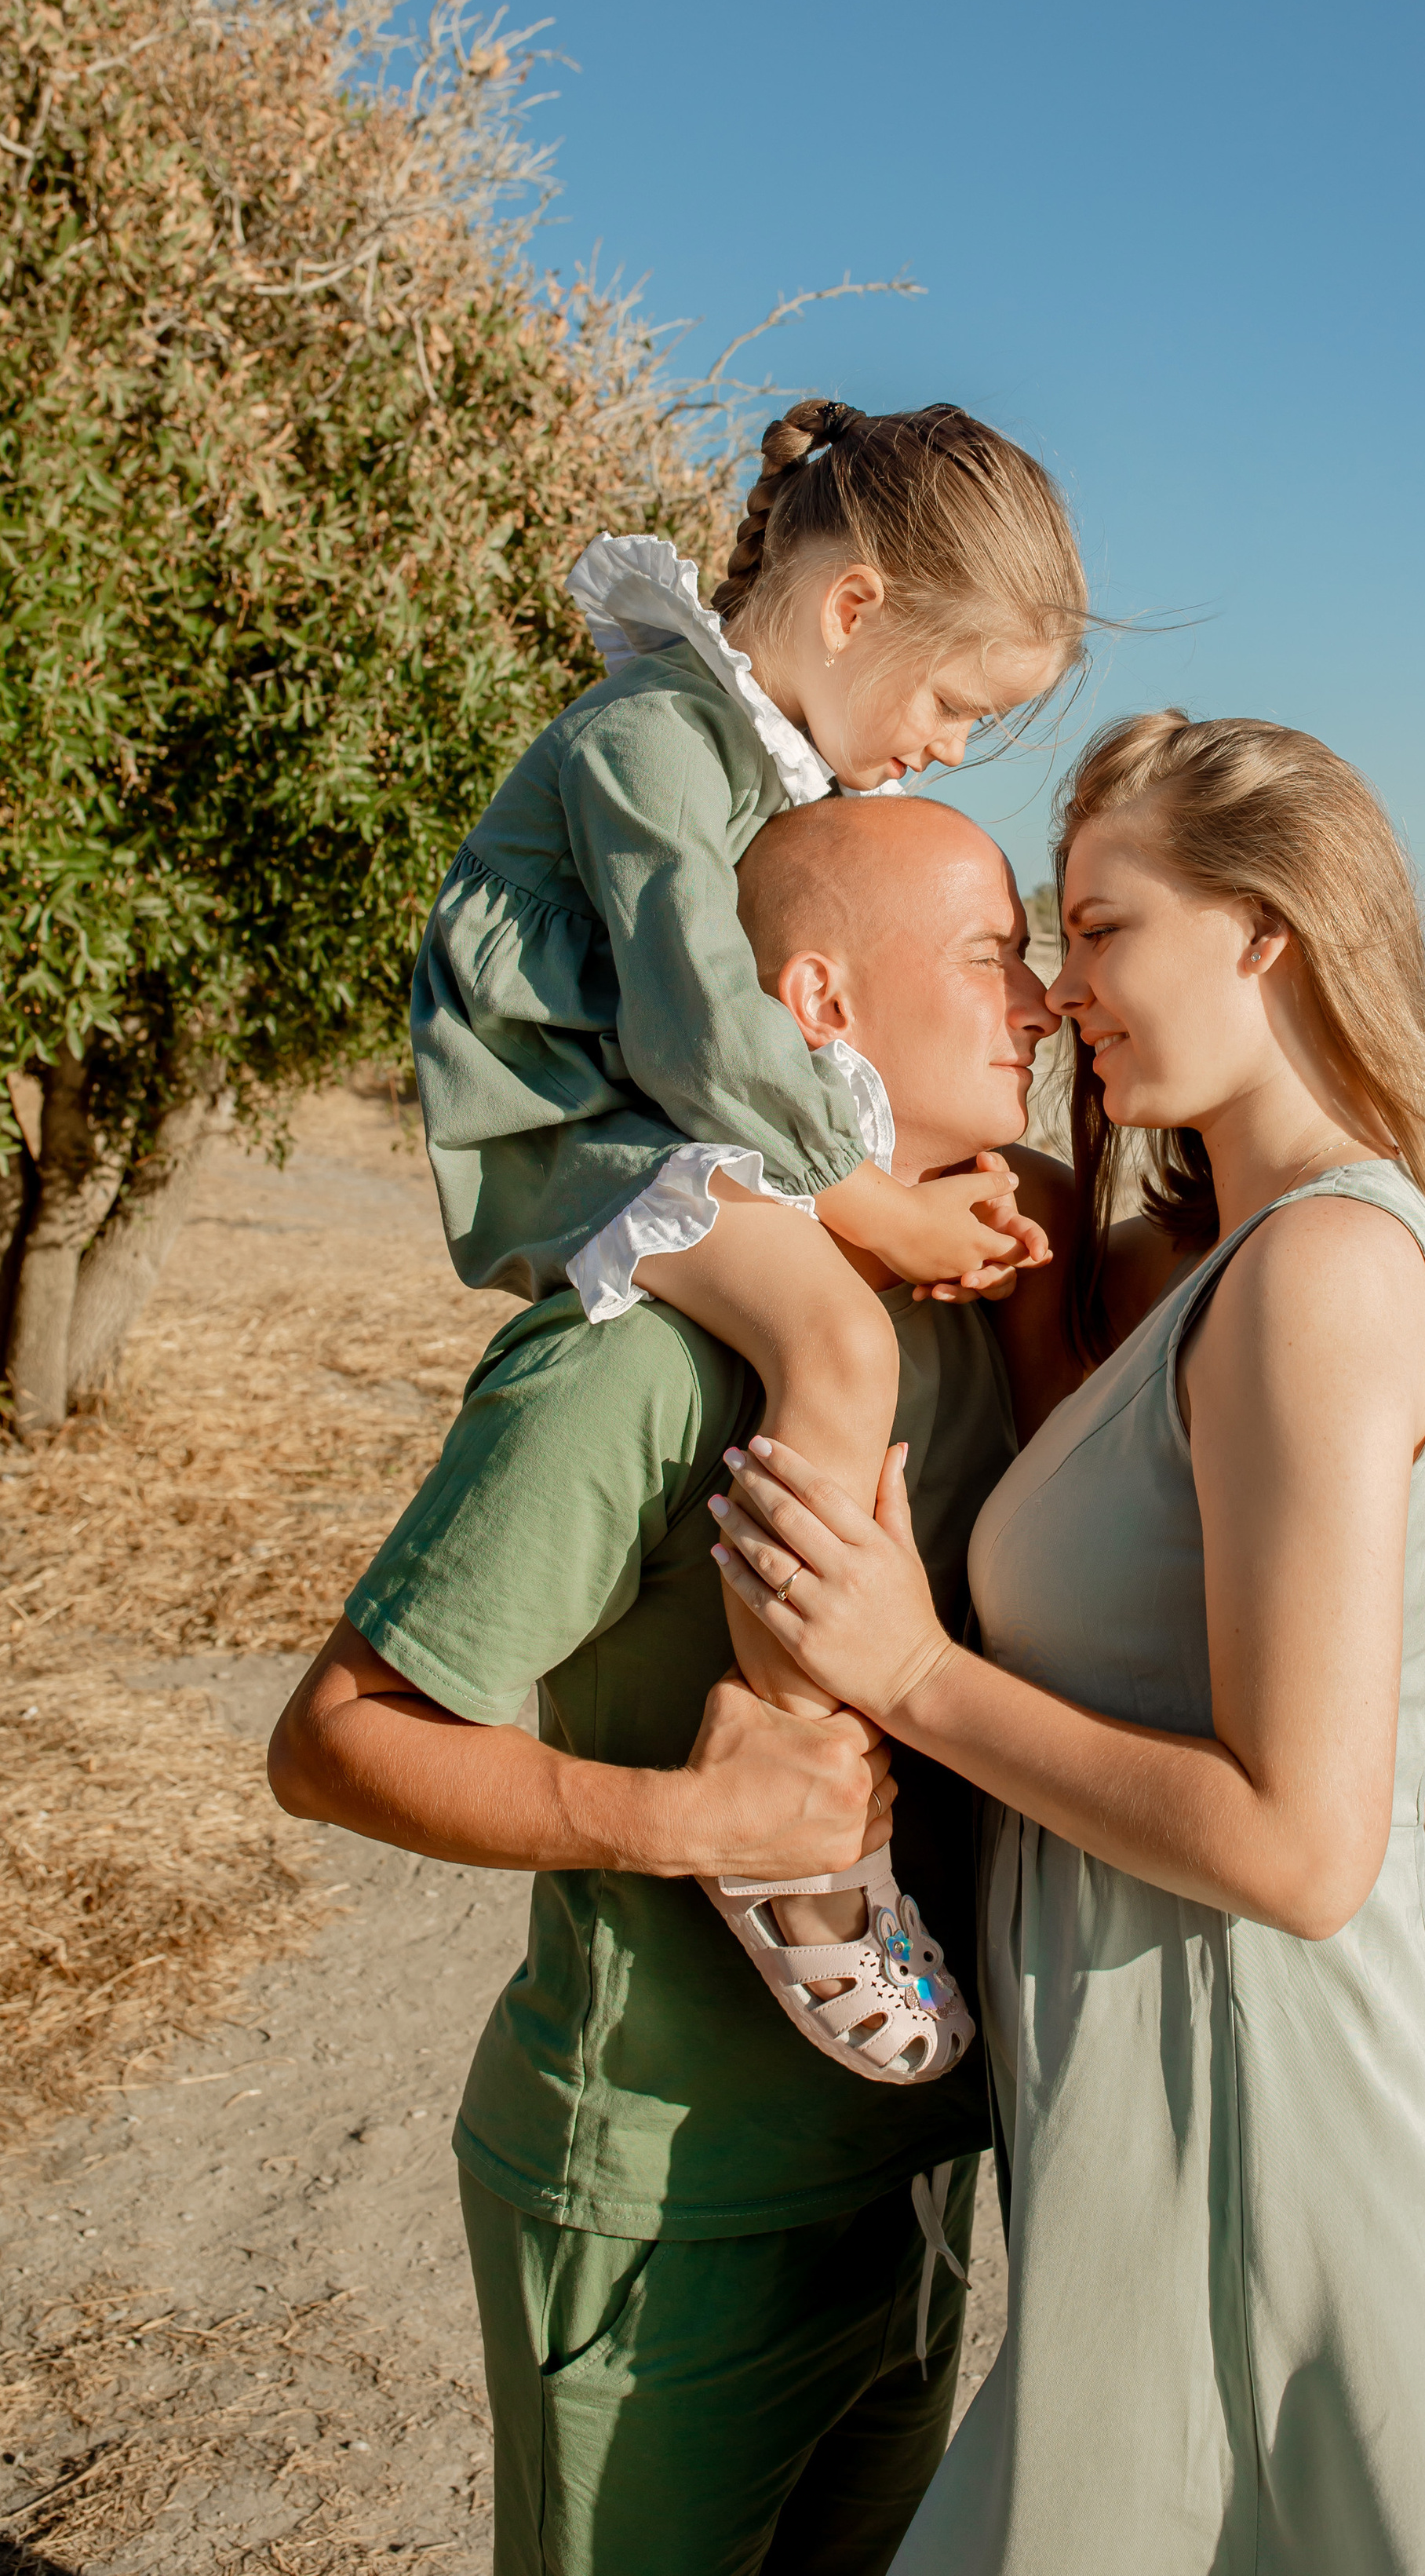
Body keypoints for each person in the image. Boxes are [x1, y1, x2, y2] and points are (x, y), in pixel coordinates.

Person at [712, 712, 1425, 2574]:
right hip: (1140, 2078)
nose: (1056, 988)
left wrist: (910, 1672)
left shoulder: (1321, 1275)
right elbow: (1124, 1557)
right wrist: (1007, 1270)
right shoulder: (1213, 1264)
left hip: (1244, 2085)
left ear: (1264, 928)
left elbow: (1300, 1850)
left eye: (1098, 930)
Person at [269, 794, 1073, 2576]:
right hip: (664, 2213)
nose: (1037, 1004)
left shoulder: (967, 1312)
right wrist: (687, 1817)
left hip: (910, 2176)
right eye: (990, 955)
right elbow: (330, 1742)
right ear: (818, 1005)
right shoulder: (639, 1359)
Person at [410, 401, 1089, 2071]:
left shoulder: (756, 756)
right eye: (954, 704)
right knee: (839, 1339)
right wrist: (870, 1202)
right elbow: (702, 1023)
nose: (948, 747)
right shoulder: (654, 735)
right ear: (854, 609)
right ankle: (790, 1832)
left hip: (657, 1112)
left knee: (858, 1321)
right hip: (578, 1128)